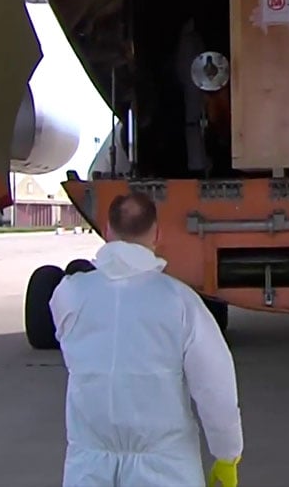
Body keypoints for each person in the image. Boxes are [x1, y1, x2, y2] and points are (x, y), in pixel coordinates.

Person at [49, 191, 244, 486]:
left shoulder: (70, 294)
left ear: (107, 231)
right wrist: (227, 453)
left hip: (88, 469)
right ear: (157, 235)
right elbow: (215, 387)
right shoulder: (180, 302)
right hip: (165, 470)